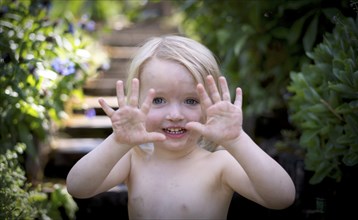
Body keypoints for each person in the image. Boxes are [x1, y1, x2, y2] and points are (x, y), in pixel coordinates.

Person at [66, 35, 296, 219]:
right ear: (137, 104)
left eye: (191, 101)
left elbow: (282, 197)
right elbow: (78, 187)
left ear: (209, 108)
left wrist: (237, 140)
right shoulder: (133, 160)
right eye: (158, 100)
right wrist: (117, 142)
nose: (175, 115)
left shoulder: (219, 165)